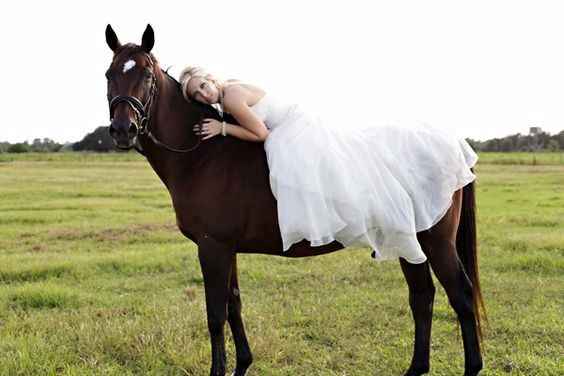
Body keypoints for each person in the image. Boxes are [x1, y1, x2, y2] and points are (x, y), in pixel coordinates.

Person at [179, 66, 478, 264]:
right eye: (197, 94)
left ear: (211, 77)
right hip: (298, 121)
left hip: (290, 131)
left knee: (307, 175)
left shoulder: (230, 97)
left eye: (203, 84)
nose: (204, 93)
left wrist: (223, 129)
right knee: (331, 169)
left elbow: (260, 133)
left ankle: (356, 218)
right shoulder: (230, 88)